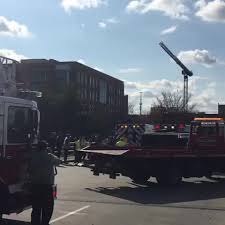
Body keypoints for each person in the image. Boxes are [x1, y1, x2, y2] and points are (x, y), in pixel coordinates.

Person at [29, 140, 61, 225]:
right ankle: (44, 222)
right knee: (48, 208)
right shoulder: (49, 156)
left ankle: (35, 223)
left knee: (36, 208)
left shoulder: (33, 156)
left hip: (35, 185)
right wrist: (50, 153)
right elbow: (58, 162)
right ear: (46, 148)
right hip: (47, 185)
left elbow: (29, 169)